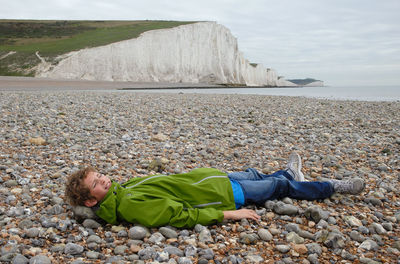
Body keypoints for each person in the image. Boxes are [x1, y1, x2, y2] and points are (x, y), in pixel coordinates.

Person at [65, 152, 365, 228]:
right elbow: (177, 215)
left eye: (101, 174)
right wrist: (227, 214)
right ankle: (331, 187)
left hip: (216, 179)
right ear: (93, 199)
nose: (105, 179)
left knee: (255, 173)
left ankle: (290, 171)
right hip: (224, 195)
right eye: (97, 183)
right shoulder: (128, 204)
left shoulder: (120, 190)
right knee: (276, 187)